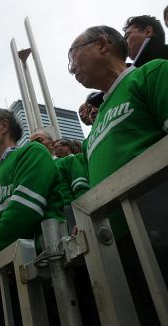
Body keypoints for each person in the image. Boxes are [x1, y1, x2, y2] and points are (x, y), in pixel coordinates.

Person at [69, 25, 168, 324]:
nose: (71, 67)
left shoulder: (151, 73)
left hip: (160, 226)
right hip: (118, 245)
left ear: (102, 45)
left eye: (73, 55)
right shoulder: (97, 124)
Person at [0, 109, 65, 269]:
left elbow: (24, 210)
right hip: (6, 275)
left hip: (46, 264)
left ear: (3, 126)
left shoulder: (32, 152)